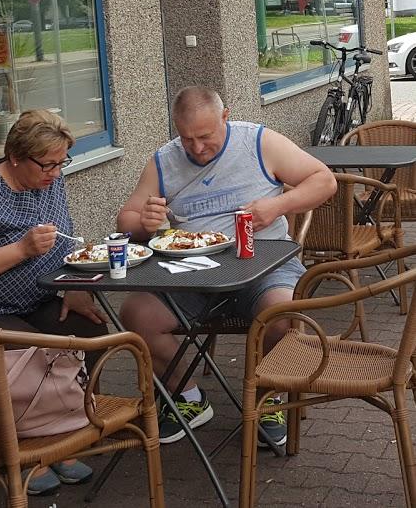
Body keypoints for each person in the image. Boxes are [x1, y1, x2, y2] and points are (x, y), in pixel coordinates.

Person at [116, 86, 337, 449]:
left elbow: (323, 180)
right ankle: (188, 398)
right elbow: (126, 218)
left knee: (281, 312)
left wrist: (277, 207)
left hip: (264, 261)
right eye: (187, 139)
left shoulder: (259, 142)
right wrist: (143, 220)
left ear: (225, 116)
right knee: (137, 314)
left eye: (205, 137)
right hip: (193, 270)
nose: (197, 148)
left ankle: (268, 399)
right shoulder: (164, 160)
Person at [0, 108, 109, 496]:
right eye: (48, 164)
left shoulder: (49, 183)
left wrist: (76, 286)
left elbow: (65, 242)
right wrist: (22, 249)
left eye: (63, 163)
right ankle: (27, 450)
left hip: (35, 297)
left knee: (88, 330)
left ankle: (66, 430)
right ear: (15, 157)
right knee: (35, 348)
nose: (56, 173)